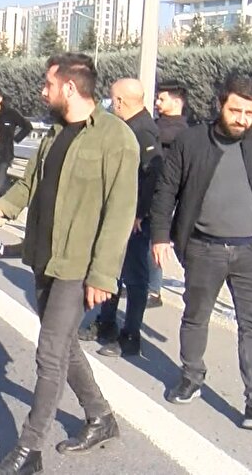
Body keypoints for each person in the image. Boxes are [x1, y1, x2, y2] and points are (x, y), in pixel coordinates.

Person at [0, 53, 138, 474]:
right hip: (45, 257)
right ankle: (101, 417)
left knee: (49, 352)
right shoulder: (55, 133)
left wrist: (103, 274)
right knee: (64, 346)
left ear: (68, 87)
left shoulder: (116, 138)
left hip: (79, 265)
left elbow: (120, 211)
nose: (42, 92)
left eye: (47, 85)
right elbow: (30, 183)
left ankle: (29, 451)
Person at [150, 74, 252, 432]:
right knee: (196, 316)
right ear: (220, 104)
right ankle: (191, 376)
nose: (242, 119)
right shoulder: (192, 141)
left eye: (250, 112)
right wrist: (160, 236)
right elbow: (166, 191)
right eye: (236, 110)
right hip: (204, 249)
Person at [78, 78, 162, 357]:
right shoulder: (130, 127)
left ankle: (130, 337)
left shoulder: (143, 131)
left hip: (134, 219)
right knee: (112, 271)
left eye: (112, 99)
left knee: (134, 278)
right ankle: (106, 323)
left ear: (120, 101)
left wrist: (139, 213)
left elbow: (153, 176)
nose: (111, 104)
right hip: (120, 213)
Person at [149, 79, 191, 308]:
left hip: (165, 194)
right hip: (153, 190)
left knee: (157, 239)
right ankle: (150, 286)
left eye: (162, 99)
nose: (157, 102)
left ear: (177, 102)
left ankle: (153, 289)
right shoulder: (159, 126)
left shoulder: (179, 132)